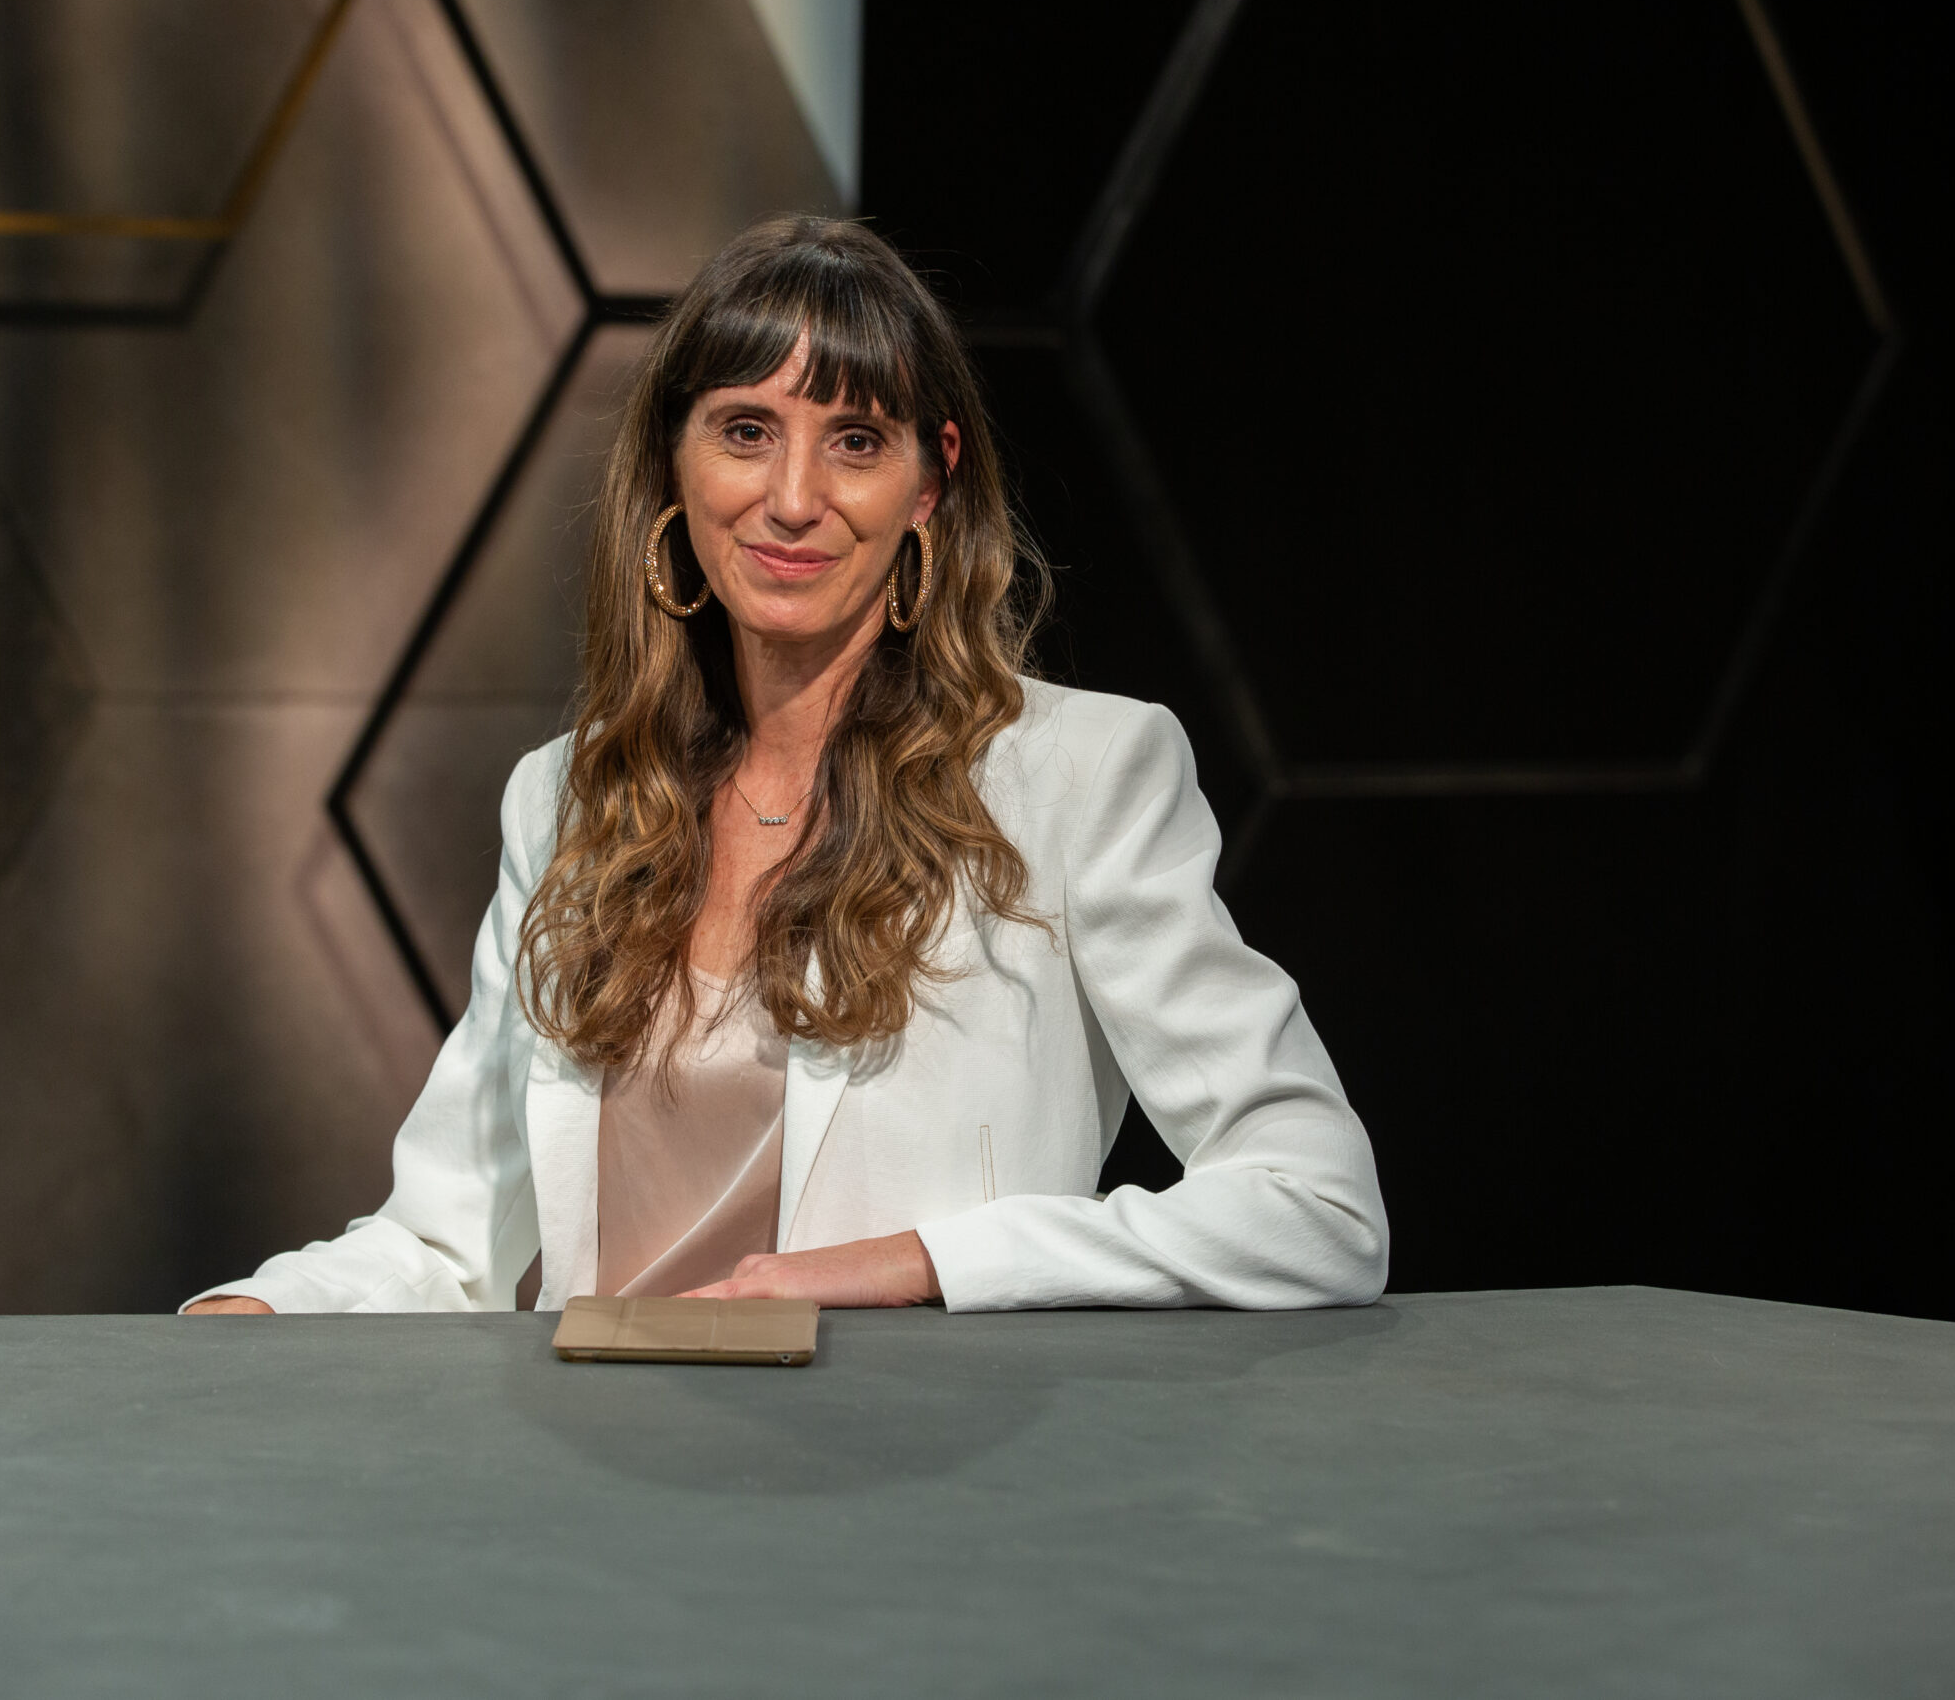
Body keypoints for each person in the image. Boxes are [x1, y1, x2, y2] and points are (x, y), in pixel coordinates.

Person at [185, 216, 1387, 1317]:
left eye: (854, 440)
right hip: (585, 1503)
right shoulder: (567, 798)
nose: (793, 498)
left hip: (907, 1493)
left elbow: (1317, 1210)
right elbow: (443, 1248)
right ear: (675, 466)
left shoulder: (1078, 775)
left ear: (931, 480)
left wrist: (917, 1266)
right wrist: (254, 1316)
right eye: (746, 432)